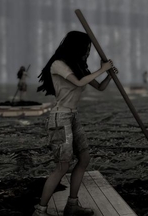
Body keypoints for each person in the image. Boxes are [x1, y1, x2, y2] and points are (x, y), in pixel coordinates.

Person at [32, 31, 118, 216]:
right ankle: (40, 211)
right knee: (62, 166)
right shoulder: (58, 65)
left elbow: (100, 87)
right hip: (59, 119)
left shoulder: (78, 66)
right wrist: (103, 68)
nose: (87, 52)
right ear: (75, 46)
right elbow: (79, 83)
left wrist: (109, 75)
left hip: (72, 116)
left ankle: (72, 205)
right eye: (85, 48)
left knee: (84, 158)